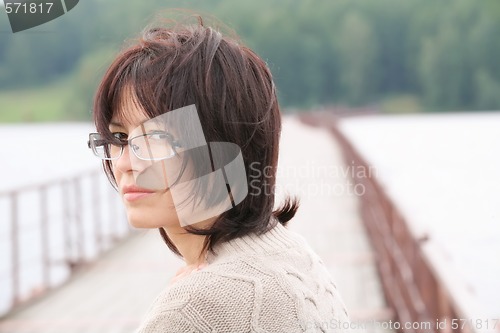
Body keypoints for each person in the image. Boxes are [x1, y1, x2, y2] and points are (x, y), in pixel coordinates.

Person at [88, 14, 349, 333]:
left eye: (156, 138)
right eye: (119, 138)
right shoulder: (290, 251)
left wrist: (190, 303)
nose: (126, 162)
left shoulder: (187, 312)